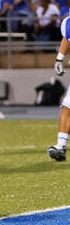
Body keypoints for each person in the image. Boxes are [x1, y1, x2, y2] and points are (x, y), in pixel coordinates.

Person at [49, 15, 70, 161]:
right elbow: (67, 38)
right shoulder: (68, 22)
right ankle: (61, 145)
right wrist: (59, 58)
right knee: (67, 106)